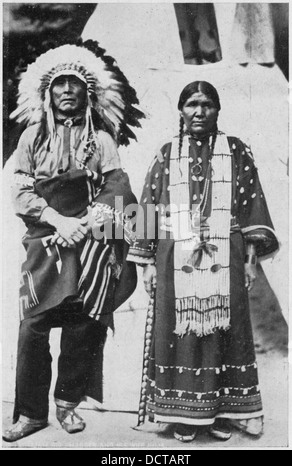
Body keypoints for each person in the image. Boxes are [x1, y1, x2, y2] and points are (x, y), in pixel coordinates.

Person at [3, 41, 143, 442]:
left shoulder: (102, 141)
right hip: (45, 241)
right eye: (59, 83)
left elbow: (119, 187)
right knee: (33, 326)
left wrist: (85, 223)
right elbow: (19, 191)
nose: (67, 90)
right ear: (47, 93)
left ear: (88, 92)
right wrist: (56, 220)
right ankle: (31, 413)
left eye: (75, 83)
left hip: (89, 243)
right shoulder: (31, 137)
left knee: (82, 323)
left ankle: (67, 404)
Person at [127, 81, 279, 442]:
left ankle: (221, 411)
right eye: (191, 105)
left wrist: (250, 259)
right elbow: (147, 207)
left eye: (206, 105)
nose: (199, 112)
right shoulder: (166, 154)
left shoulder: (237, 152)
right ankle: (182, 415)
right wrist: (147, 263)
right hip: (174, 254)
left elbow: (250, 205)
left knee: (224, 332)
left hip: (224, 251)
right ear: (180, 110)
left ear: (217, 110)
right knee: (179, 332)